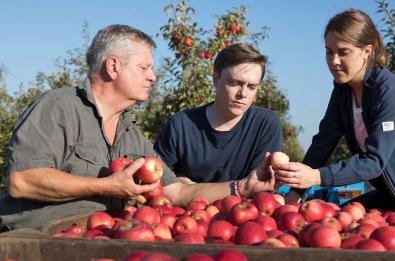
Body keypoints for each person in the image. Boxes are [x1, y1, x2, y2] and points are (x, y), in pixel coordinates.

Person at [0, 25, 274, 231]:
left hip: (96, 237)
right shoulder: (58, 107)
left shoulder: (130, 133)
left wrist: (242, 187)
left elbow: (174, 192)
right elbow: (22, 181)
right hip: (35, 240)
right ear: (113, 67)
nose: (153, 76)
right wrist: (107, 186)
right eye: (144, 67)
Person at [274, 9, 395, 231]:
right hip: (393, 191)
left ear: (366, 51)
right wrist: (296, 191)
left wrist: (317, 177)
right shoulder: (343, 93)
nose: (334, 61)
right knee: (345, 222)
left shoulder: (390, 92)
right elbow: (322, 143)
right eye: (329, 52)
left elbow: (373, 162)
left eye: (343, 52)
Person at [154, 43, 282, 184]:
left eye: (252, 87)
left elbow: (257, 186)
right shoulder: (180, 125)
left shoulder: (265, 124)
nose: (243, 94)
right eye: (234, 83)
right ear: (215, 79)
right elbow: (157, 182)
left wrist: (187, 186)